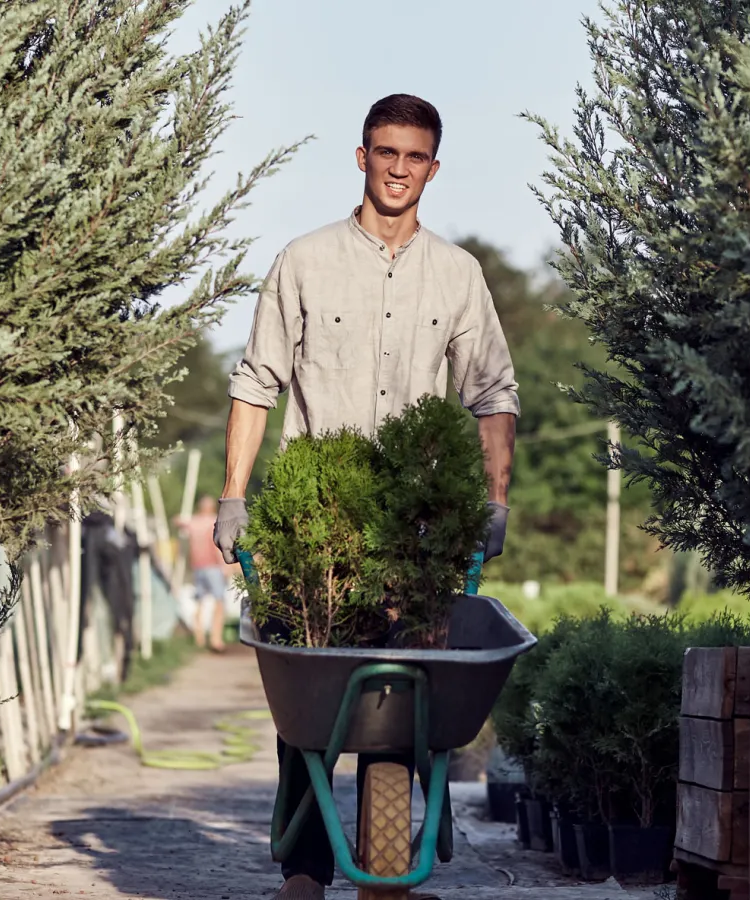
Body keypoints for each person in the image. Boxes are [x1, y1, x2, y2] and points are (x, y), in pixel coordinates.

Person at [213, 93, 519, 900]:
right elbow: (258, 382)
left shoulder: (458, 277)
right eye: (385, 152)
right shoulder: (305, 261)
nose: (398, 169)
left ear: (433, 167)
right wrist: (233, 496)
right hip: (314, 527)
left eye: (414, 156)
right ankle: (307, 868)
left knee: (399, 698)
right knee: (308, 705)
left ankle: (386, 859)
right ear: (361, 157)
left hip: (414, 532)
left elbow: (492, 392)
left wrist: (494, 500)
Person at [177, 495, 228, 652]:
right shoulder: (213, 521)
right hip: (212, 566)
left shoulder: (194, 522)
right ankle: (216, 639)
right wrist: (225, 566)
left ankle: (199, 638)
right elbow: (216, 546)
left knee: (200, 601)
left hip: (197, 566)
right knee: (219, 602)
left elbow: (178, 521)